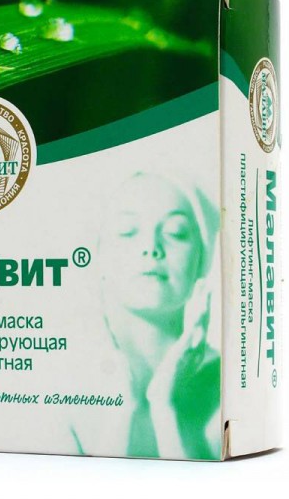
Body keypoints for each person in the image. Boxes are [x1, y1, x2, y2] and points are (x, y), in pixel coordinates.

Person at [94, 171, 221, 459]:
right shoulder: (59, 383)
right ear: (99, 254)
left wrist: (164, 405)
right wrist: (123, 408)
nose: (151, 248)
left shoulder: (228, 385)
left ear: (203, 259)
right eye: (127, 231)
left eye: (176, 232)